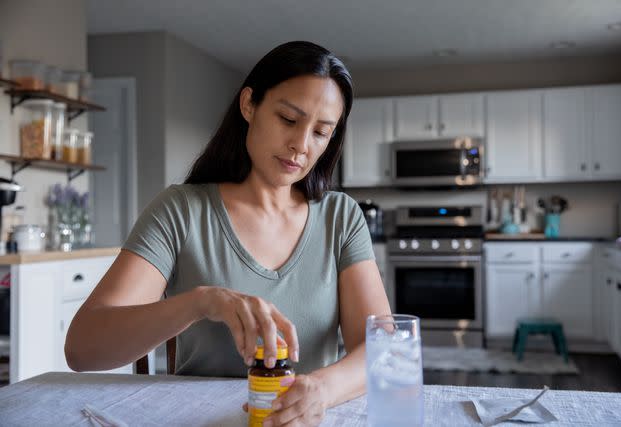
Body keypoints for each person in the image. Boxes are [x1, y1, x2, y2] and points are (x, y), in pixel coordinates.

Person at [65, 40, 391, 426]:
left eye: (321, 132)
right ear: (249, 104)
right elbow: (83, 348)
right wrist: (201, 302)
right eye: (288, 119)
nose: (301, 146)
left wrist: (321, 389)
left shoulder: (341, 218)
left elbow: (383, 349)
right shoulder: (181, 210)